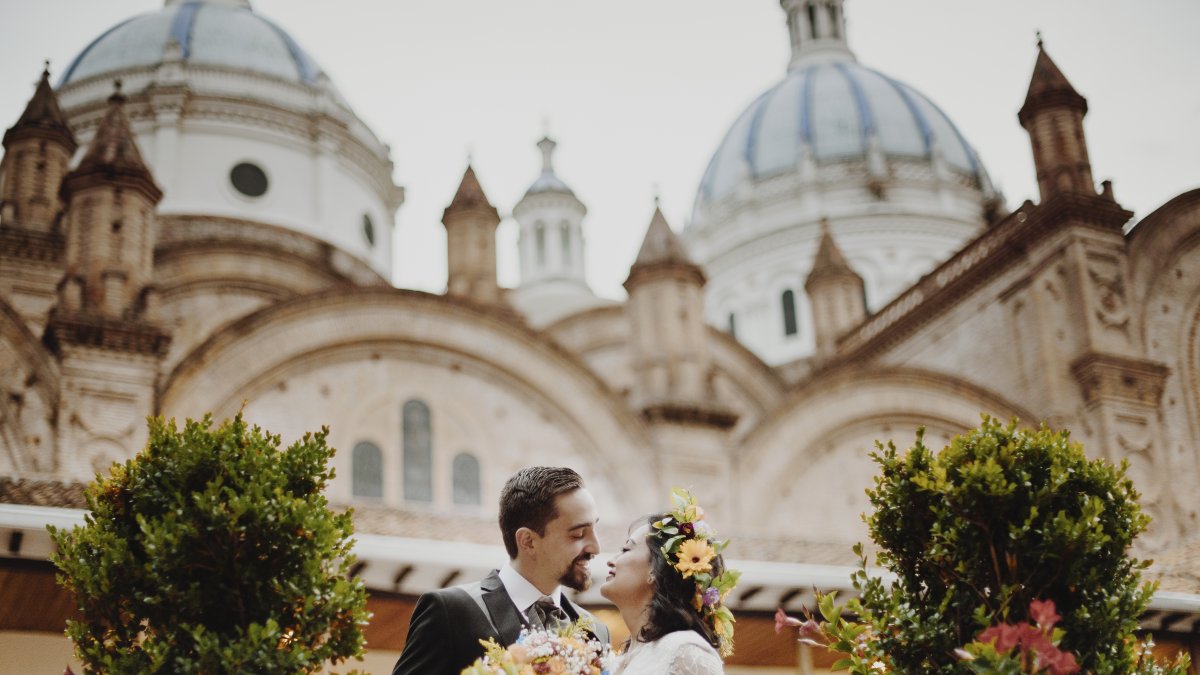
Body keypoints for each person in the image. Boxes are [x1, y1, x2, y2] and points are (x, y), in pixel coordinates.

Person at [392, 466, 610, 675]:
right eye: (578, 534)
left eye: (595, 528)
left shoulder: (596, 632)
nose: (596, 547)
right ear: (528, 541)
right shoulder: (449, 612)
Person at [600, 488, 739, 675]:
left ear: (656, 569)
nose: (611, 560)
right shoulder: (620, 661)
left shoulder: (685, 652)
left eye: (626, 549)